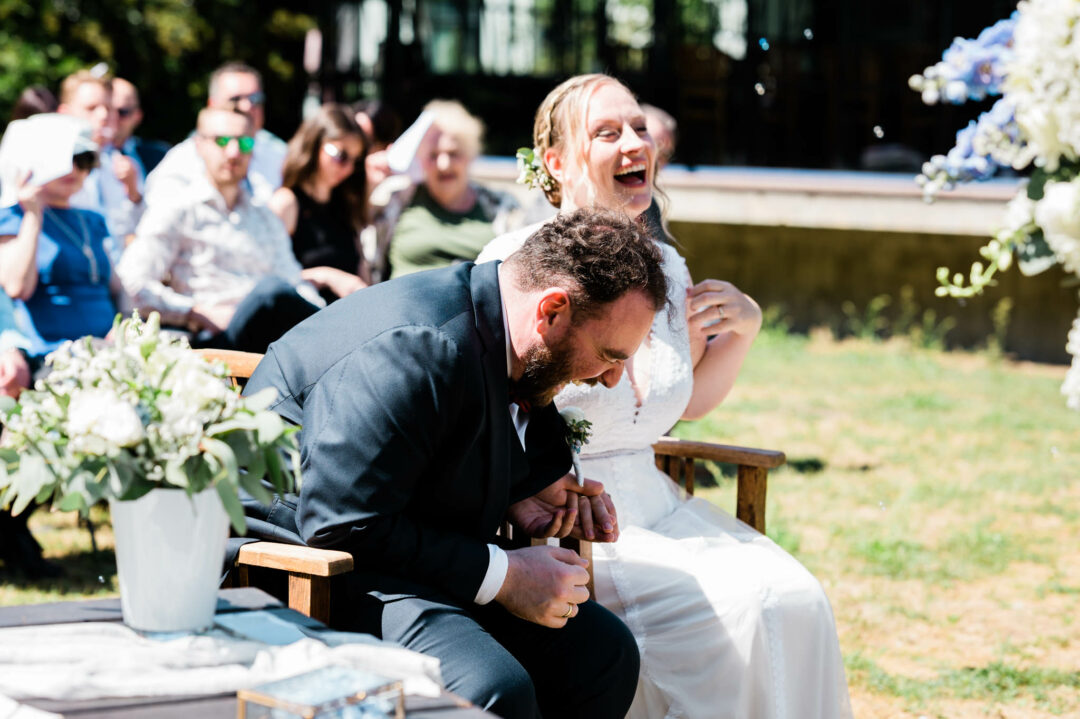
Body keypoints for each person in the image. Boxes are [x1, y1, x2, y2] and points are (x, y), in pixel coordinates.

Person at [478, 74, 853, 719]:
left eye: (639, 128)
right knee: (740, 611)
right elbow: (482, 411)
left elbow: (685, 402)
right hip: (576, 525)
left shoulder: (666, 268)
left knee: (795, 596)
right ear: (557, 163)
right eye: (607, 131)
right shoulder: (519, 265)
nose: (633, 142)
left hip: (662, 506)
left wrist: (747, 328)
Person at [241, 207, 669, 719]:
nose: (611, 378)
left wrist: (522, 491)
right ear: (552, 311)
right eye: (610, 354)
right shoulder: (415, 346)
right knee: (491, 689)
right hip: (303, 565)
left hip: (401, 543)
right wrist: (506, 576)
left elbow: (457, 436)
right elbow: (340, 522)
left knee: (603, 654)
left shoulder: (503, 330)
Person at [116, 109, 322, 354]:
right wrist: (196, 311)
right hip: (215, 343)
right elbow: (132, 283)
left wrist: (324, 315)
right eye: (222, 141)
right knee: (271, 292)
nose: (234, 152)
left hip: (273, 338)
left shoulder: (264, 216)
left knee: (313, 306)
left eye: (244, 142)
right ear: (199, 145)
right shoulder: (177, 209)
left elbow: (292, 280)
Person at [369, 100, 522, 281]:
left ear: (469, 155)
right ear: (420, 160)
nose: (444, 165)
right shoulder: (394, 199)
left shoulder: (503, 207)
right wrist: (371, 183)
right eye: (433, 155)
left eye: (453, 153)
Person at [144, 62, 287, 207]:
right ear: (212, 104)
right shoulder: (182, 162)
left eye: (255, 99)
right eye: (235, 99)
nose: (247, 107)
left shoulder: (280, 154)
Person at [268, 104, 369, 302]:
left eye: (355, 161)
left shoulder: (346, 207)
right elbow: (267, 277)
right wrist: (326, 277)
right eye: (341, 156)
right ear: (314, 145)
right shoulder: (286, 203)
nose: (348, 168)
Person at [57, 70, 144, 251]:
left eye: (109, 108)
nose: (104, 116)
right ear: (64, 113)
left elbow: (131, 231)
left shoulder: (117, 163)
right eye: (91, 108)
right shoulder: (53, 169)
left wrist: (133, 193)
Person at [112, 77, 171, 178]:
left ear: (137, 115)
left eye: (122, 112)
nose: (113, 117)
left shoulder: (160, 155)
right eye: (109, 110)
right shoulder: (85, 157)